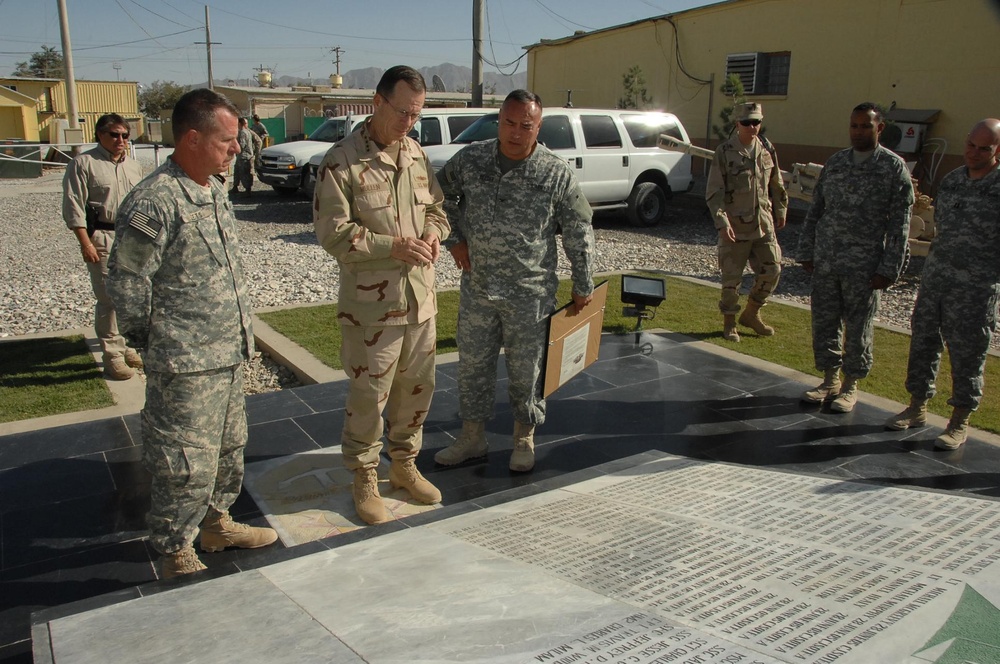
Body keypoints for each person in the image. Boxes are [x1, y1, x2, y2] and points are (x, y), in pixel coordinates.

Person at [107, 89, 277, 579]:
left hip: (224, 352)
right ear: (193, 137)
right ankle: (175, 546)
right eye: (227, 141)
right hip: (183, 363)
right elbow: (127, 281)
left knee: (227, 448)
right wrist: (156, 343)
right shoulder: (155, 201)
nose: (236, 150)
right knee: (183, 461)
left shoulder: (212, 188)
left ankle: (217, 523)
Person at [313, 65, 450, 525]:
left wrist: (432, 234)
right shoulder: (342, 160)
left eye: (416, 114)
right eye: (403, 111)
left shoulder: (414, 154)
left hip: (420, 303)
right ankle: (364, 476)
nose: (409, 122)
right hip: (373, 311)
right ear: (377, 101)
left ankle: (404, 466)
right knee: (370, 398)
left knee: (417, 391)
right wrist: (392, 246)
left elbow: (437, 210)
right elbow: (333, 233)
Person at [434, 89, 595, 472]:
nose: (516, 132)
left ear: (538, 127)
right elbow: (436, 197)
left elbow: (579, 227)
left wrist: (583, 281)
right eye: (509, 122)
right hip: (479, 287)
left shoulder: (555, 172)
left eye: (526, 125)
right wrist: (454, 241)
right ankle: (472, 437)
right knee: (473, 365)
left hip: (530, 293)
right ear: (498, 121)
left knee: (528, 370)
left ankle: (524, 437)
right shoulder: (471, 160)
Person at [886, 118, 1000, 449]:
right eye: (971, 145)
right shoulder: (952, 181)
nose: (975, 153)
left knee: (967, 352)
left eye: (984, 149)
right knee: (923, 343)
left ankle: (959, 420)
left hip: (975, 289)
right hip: (936, 279)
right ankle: (917, 407)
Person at [797, 102, 914, 413]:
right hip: (827, 261)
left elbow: (900, 224)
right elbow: (816, 211)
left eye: (865, 126)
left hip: (864, 267)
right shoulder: (836, 163)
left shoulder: (892, 168)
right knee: (824, 323)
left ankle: (850, 386)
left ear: (880, 128)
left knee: (858, 327)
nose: (858, 131)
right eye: (854, 125)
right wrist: (806, 251)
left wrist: (890, 268)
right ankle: (829, 379)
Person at [62, 114, 145, 380]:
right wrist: (85, 242)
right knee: (109, 298)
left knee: (130, 295)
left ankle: (128, 346)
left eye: (125, 135)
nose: (120, 140)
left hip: (131, 238)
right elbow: (73, 205)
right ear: (100, 135)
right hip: (102, 237)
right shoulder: (83, 164)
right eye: (114, 134)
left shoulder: (134, 166)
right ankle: (112, 355)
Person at [705, 102, 788, 342]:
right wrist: (722, 222)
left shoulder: (767, 150)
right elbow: (714, 191)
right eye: (747, 122)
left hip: (763, 224)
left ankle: (752, 313)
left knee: (772, 269)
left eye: (756, 122)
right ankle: (729, 322)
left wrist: (780, 208)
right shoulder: (725, 151)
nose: (752, 127)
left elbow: (776, 181)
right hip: (735, 226)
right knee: (732, 279)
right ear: (737, 124)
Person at [231, 116, 261, 196]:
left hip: (244, 156)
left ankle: (248, 191)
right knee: (237, 171)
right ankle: (235, 187)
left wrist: (236, 149)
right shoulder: (246, 131)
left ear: (240, 123)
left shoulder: (243, 132)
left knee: (245, 173)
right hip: (242, 156)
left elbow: (242, 144)